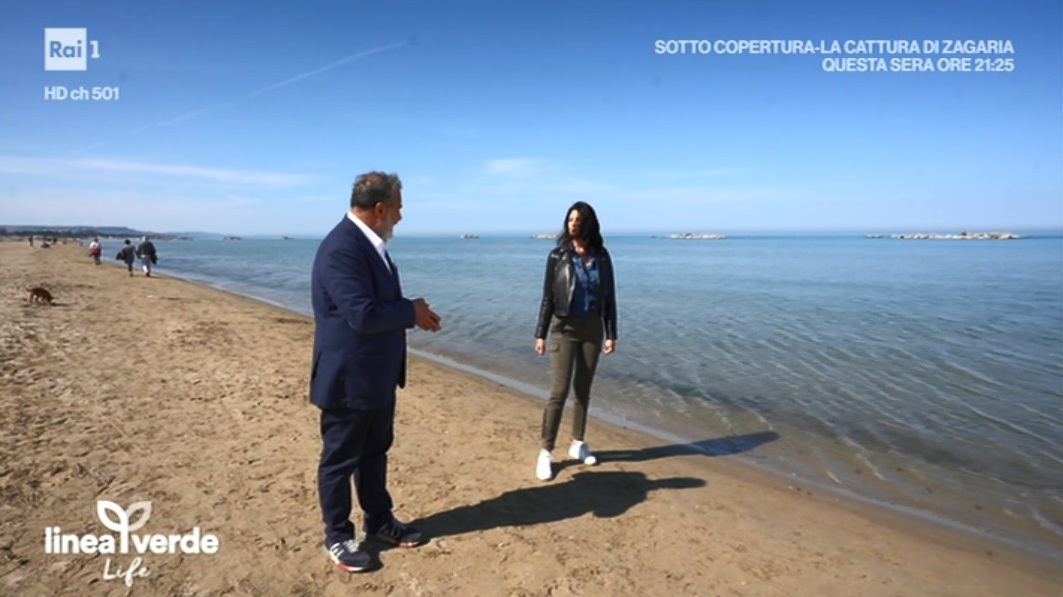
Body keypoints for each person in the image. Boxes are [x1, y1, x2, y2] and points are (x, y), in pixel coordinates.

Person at [309, 171, 442, 573]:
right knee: (339, 460)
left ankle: (379, 519)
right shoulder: (342, 248)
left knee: (374, 453)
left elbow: (374, 303)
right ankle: (337, 535)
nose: (401, 216)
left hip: (376, 376)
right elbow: (362, 314)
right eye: (398, 208)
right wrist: (410, 311)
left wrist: (410, 311)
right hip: (348, 378)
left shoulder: (370, 245)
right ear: (380, 209)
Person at [533, 201, 618, 481]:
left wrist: (612, 333)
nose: (573, 224)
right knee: (559, 392)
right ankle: (546, 452)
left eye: (578, 220)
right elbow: (548, 297)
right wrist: (540, 333)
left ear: (589, 224)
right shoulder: (557, 255)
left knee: (583, 389)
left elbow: (610, 297)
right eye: (570, 220)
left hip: (593, 328)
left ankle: (577, 443)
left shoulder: (602, 256)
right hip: (564, 327)